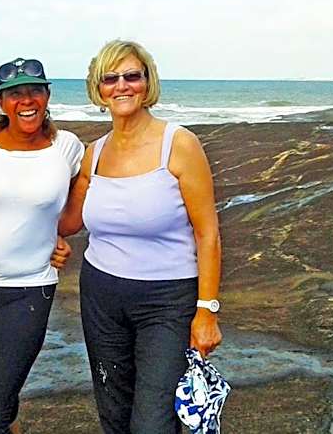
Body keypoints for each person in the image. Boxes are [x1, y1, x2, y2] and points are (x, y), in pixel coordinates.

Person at [58, 40, 223, 434]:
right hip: (101, 296)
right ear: (97, 89)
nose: (121, 86)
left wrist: (207, 310)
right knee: (114, 413)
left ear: (148, 82)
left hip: (167, 300)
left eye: (132, 75)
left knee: (154, 422)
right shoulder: (92, 154)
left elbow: (209, 234)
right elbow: (68, 223)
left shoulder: (179, 145)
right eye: (110, 78)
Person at [0, 57, 84, 434]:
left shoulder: (68, 148)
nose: (25, 100)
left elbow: (72, 213)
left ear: (47, 96)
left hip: (28, 290)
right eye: (15, 93)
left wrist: (58, 235)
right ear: (1, 102)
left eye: (34, 90)